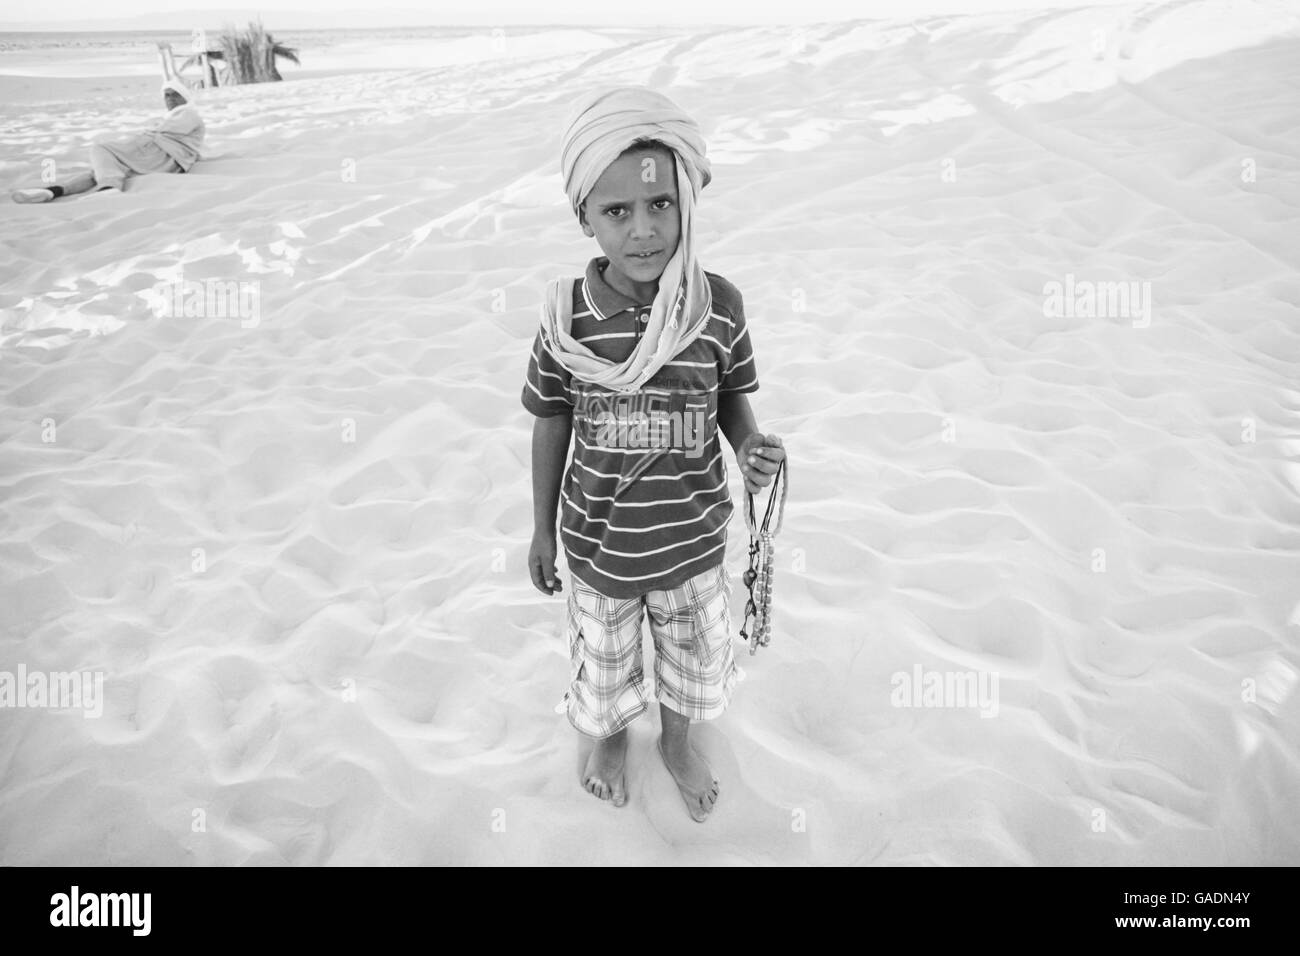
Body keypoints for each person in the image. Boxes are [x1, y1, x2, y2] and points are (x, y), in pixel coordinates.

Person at [522, 86, 786, 821]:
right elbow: (549, 419)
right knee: (603, 669)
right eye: (616, 212)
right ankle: (607, 739)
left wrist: (751, 447)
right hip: (599, 548)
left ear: (688, 203)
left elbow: (730, 393)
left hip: (695, 542)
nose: (643, 231)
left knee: (690, 666)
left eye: (661, 205)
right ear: (584, 218)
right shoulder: (566, 319)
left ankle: (675, 741)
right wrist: (542, 529)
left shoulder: (716, 305)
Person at [11, 79, 205, 203]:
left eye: (175, 95)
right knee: (100, 169)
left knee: (100, 149)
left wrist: (151, 128)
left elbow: (165, 130)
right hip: (152, 156)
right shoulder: (176, 116)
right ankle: (55, 191)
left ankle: (110, 187)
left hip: (158, 155)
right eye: (167, 95)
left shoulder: (189, 113)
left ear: (185, 97)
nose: (169, 99)